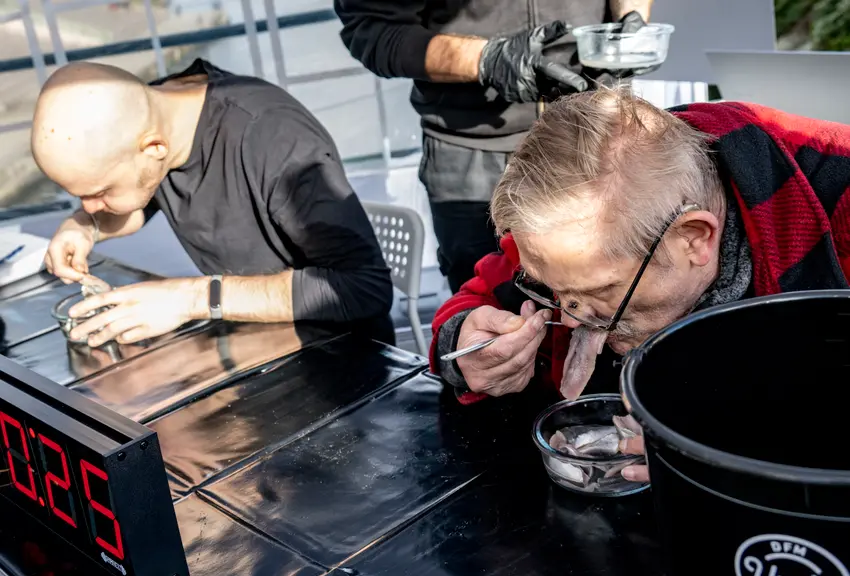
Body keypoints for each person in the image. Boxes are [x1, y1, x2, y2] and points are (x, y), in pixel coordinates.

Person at [430, 86, 850, 481]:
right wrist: (464, 345)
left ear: (693, 238)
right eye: (555, 289)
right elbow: (476, 298)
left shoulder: (837, 199)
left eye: (600, 291)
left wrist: (744, 455)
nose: (572, 319)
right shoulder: (582, 213)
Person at [31, 59, 394, 347]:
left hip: (345, 358)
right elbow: (141, 201)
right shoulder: (160, 114)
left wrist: (188, 298)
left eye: (98, 192)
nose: (91, 205)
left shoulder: (274, 138)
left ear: (153, 148)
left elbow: (364, 288)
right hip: (251, 340)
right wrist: (83, 226)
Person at [335, 0, 656, 293]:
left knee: (617, 300)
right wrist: (487, 60)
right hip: (472, 152)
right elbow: (372, 28)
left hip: (596, 129)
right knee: (493, 315)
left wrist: (632, 18)